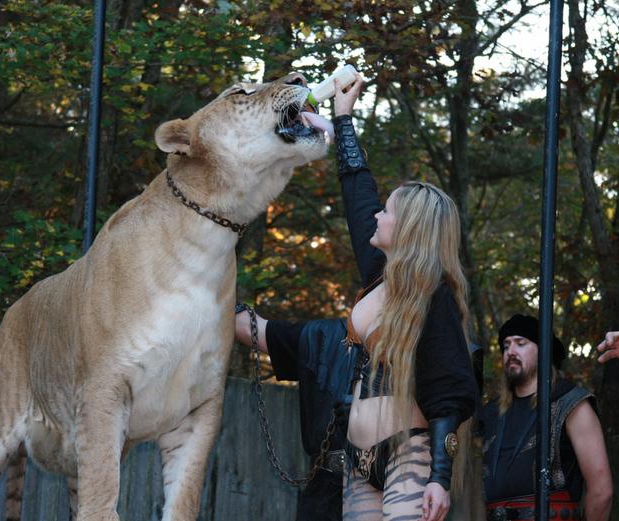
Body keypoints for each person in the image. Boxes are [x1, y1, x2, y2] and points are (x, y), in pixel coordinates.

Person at [330, 76, 477, 521]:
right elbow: (359, 198)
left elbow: (450, 392)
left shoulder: (433, 295)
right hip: (356, 460)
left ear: (408, 229)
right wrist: (343, 121)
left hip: (409, 453)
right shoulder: (378, 278)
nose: (377, 214)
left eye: (387, 211)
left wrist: (440, 476)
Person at [481, 314, 613, 521]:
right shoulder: (491, 413)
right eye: (506, 346)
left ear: (544, 352)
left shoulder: (571, 404)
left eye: (521, 343)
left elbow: (601, 491)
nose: (510, 352)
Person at [234, 311, 358, 521]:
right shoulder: (323, 335)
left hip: (394, 490)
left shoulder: (421, 340)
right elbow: (247, 327)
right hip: (324, 495)